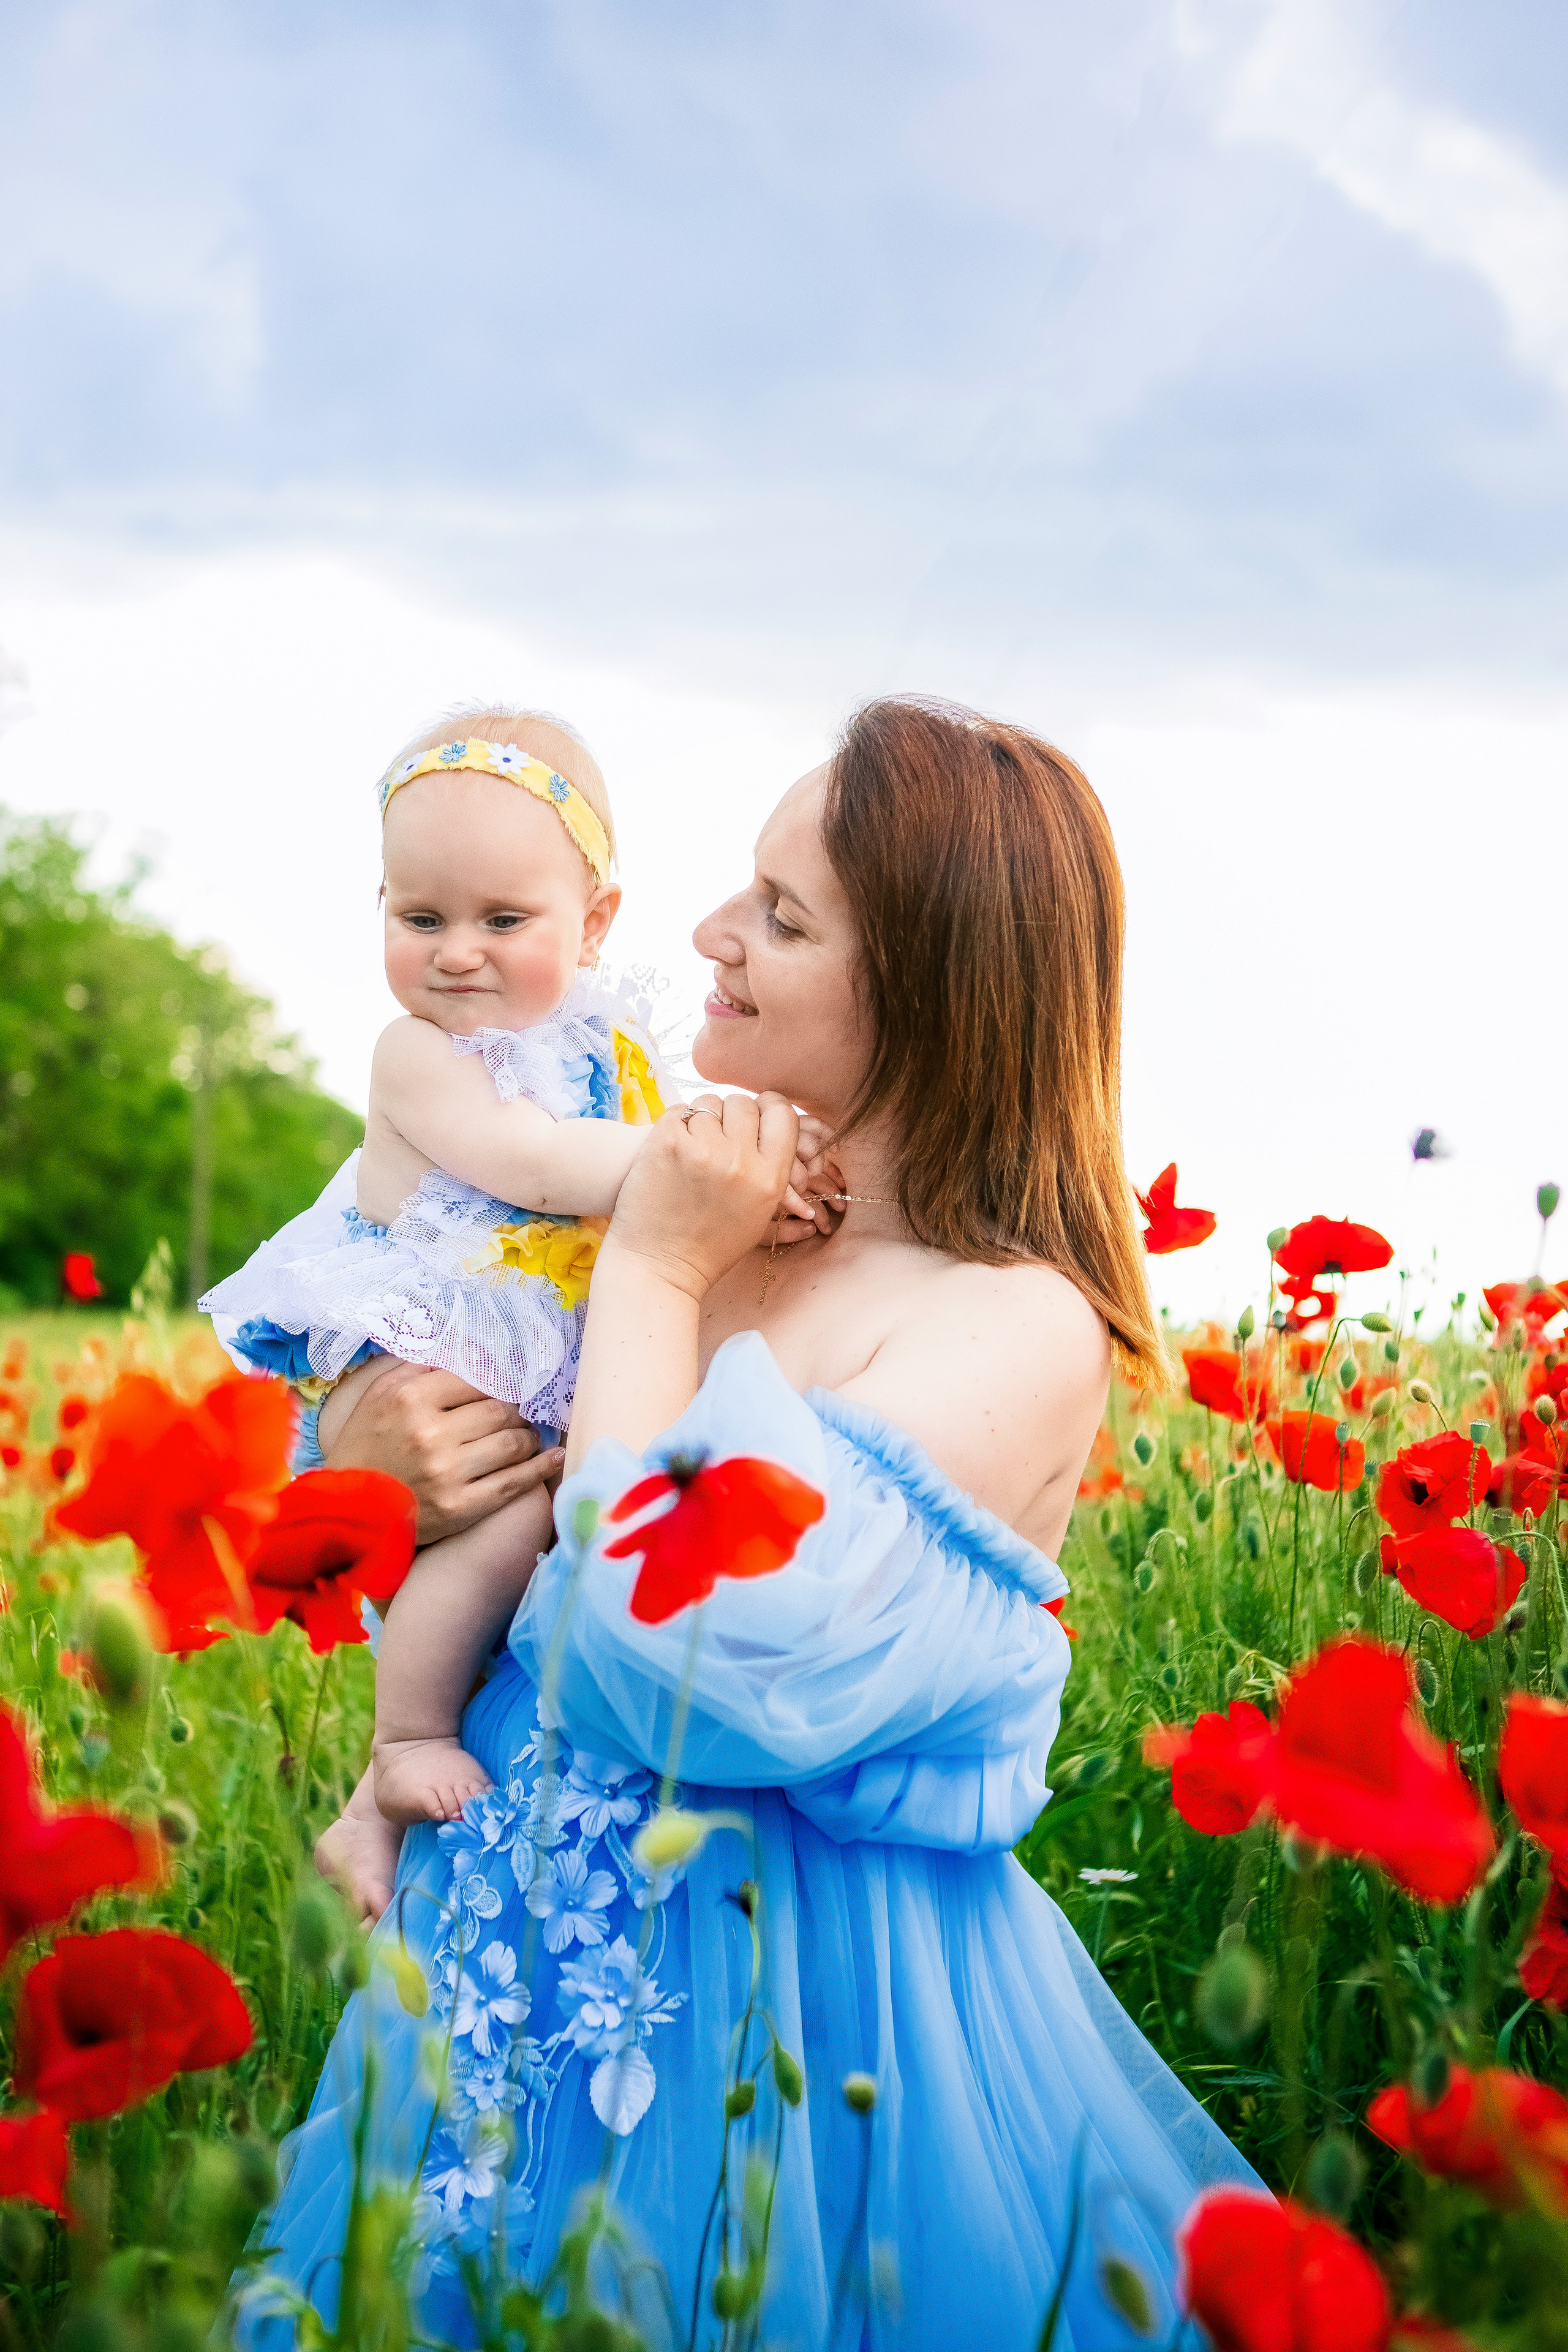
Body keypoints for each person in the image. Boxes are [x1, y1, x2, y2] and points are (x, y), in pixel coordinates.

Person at [242, 697, 1258, 2351]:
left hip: (794, 2039)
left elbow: (667, 1657)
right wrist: (366, 1444)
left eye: (781, 916)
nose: (712, 933)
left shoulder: (1003, 1324)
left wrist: (651, 1266)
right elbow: (421, 1473)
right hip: (493, 1987)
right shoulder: (720, 1216)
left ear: (930, 987)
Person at [201, 703, 821, 1826]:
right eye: (421, 914)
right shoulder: (419, 1053)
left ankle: (446, 1770)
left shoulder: (609, 1043)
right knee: (491, 1532)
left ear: (593, 924)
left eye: (503, 917)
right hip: (450, 1345)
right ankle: (404, 1739)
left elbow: (636, 1151)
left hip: (547, 1362)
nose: (457, 950)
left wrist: (742, 1177)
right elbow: (531, 1163)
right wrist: (698, 1161)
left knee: (541, 1534)